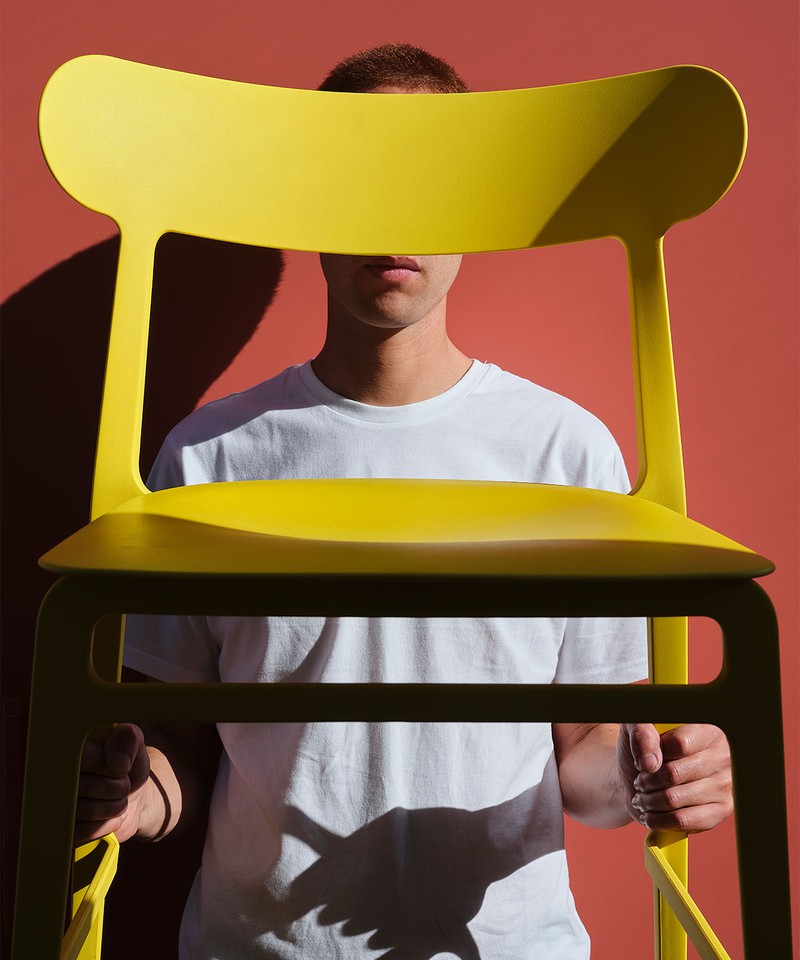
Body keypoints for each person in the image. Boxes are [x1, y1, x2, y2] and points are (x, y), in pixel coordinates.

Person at [75, 43, 733, 959]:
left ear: (473, 207)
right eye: (361, 178)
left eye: (427, 178)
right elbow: (183, 746)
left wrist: (653, 778)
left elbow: (582, 751)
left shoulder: (564, 450)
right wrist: (134, 794)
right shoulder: (210, 456)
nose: (395, 220)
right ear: (310, 208)